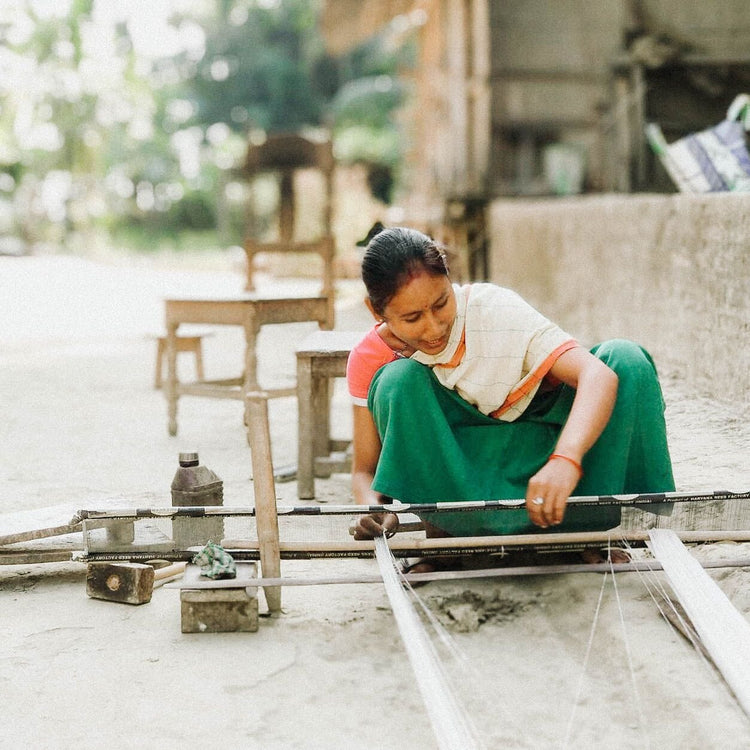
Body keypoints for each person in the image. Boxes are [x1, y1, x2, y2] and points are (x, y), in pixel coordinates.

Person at [347, 226, 674, 567]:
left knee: (627, 360)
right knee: (397, 380)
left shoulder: (493, 310)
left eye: (442, 303)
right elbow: (364, 470)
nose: (434, 327)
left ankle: (579, 532)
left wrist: (566, 460)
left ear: (449, 280)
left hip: (545, 463)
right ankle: (449, 540)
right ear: (376, 311)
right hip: (465, 474)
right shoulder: (370, 357)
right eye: (412, 318)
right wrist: (372, 508)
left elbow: (597, 375)